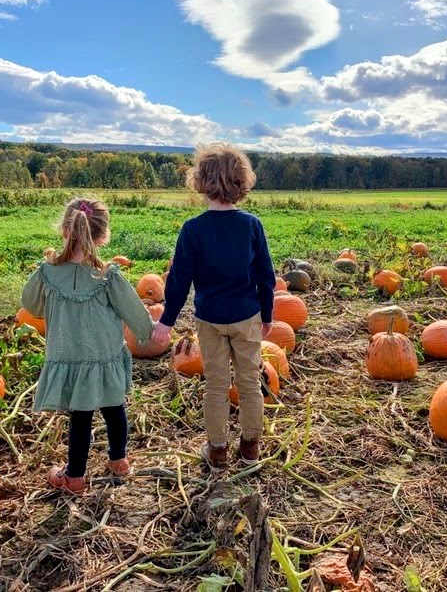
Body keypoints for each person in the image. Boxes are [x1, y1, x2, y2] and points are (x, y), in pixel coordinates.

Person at [152, 144, 276, 470]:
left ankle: (218, 450)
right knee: (250, 383)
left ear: (201, 183)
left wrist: (166, 321)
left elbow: (178, 280)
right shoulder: (251, 225)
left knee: (216, 385)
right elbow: (266, 275)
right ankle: (250, 449)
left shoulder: (193, 229)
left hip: (209, 319)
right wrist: (268, 314)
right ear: (241, 182)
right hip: (246, 317)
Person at [21, 198, 153, 494]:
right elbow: (133, 312)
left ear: (64, 230)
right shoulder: (107, 275)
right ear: (103, 236)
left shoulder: (46, 272)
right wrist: (149, 332)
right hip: (104, 356)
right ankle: (119, 461)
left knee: (80, 418)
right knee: (114, 408)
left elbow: (30, 305)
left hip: (69, 356)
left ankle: (75, 477)